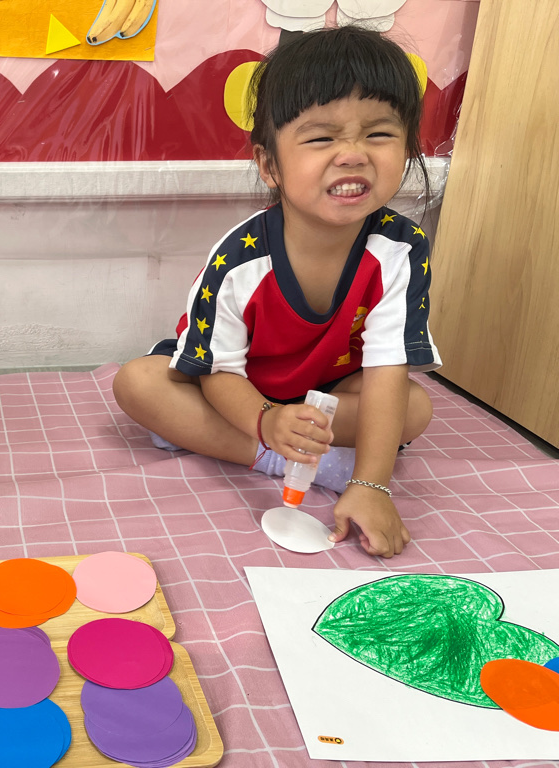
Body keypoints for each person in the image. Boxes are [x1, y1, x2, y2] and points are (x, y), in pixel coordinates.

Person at [113, 26, 439, 558]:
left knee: (416, 408)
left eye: (379, 134)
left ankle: (290, 447)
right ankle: (276, 456)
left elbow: (386, 368)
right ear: (270, 165)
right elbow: (218, 372)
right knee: (138, 382)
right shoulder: (240, 259)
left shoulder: (402, 249)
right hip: (235, 390)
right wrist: (266, 424)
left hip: (325, 396)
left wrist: (371, 484)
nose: (353, 154)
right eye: (322, 138)